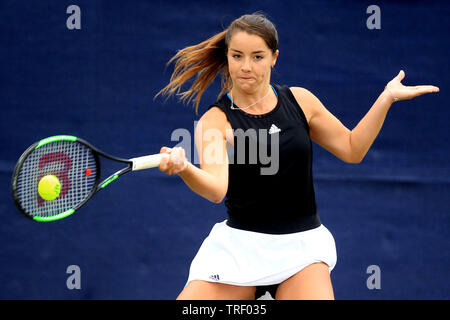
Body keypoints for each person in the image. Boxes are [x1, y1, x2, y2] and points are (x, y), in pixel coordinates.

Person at [155, 13, 439, 300]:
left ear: (274, 57)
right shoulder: (215, 121)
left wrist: (386, 97)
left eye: (257, 57)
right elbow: (216, 190)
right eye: (237, 56)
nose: (246, 67)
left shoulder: (301, 101)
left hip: (302, 251)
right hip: (239, 252)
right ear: (227, 57)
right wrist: (185, 168)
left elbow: (353, 149)